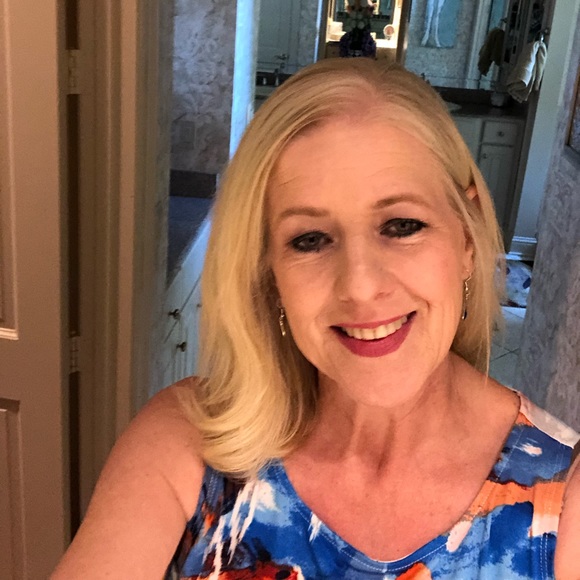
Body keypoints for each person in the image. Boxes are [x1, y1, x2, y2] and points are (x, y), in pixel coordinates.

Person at [52, 59, 580, 579]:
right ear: (270, 273)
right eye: (309, 240)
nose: (360, 286)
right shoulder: (189, 444)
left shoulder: (565, 500)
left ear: (466, 236)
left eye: (401, 225)